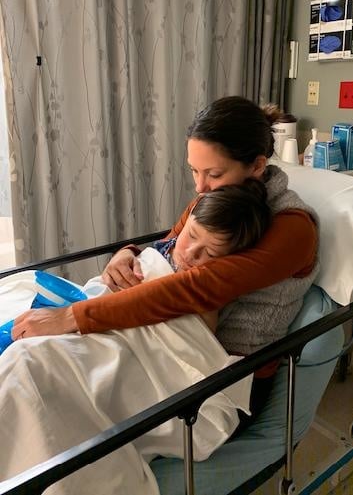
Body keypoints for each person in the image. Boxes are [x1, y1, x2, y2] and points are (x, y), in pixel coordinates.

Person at [12, 95, 319, 423]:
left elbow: (197, 288)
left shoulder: (293, 229)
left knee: (51, 379)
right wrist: (127, 255)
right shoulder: (216, 197)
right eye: (194, 171)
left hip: (226, 378)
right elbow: (170, 245)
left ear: (257, 166)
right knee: (43, 359)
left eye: (213, 173)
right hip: (171, 338)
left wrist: (72, 317)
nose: (200, 187)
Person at [0, 179, 271, 494]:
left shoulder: (204, 288)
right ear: (189, 216)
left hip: (149, 351)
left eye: (209, 253)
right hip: (98, 319)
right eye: (192, 235)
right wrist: (123, 256)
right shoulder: (166, 248)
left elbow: (182, 339)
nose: (192, 254)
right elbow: (124, 278)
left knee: (32, 363)